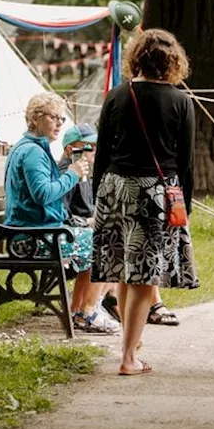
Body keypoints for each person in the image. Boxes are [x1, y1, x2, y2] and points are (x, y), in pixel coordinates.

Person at [90, 29, 197, 376]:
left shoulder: (117, 95)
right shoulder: (181, 101)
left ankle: (130, 344)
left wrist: (98, 197)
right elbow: (186, 163)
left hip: (115, 188)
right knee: (144, 279)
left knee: (123, 272)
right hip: (155, 193)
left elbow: (102, 152)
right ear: (173, 62)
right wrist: (186, 207)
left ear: (136, 57)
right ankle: (127, 358)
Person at [3, 104, 112, 335]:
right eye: (54, 117)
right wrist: (72, 174)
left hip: (37, 230)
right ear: (35, 118)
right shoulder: (32, 152)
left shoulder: (33, 148)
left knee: (102, 238)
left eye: (61, 118)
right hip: (32, 236)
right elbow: (43, 195)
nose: (60, 123)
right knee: (106, 244)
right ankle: (87, 312)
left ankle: (82, 310)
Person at [57, 123, 121, 334]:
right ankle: (91, 308)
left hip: (79, 229)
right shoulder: (68, 172)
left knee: (115, 231)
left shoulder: (83, 171)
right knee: (110, 243)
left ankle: (82, 308)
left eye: (95, 147)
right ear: (70, 149)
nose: (94, 151)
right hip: (63, 232)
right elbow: (62, 214)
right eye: (88, 147)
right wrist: (87, 222)